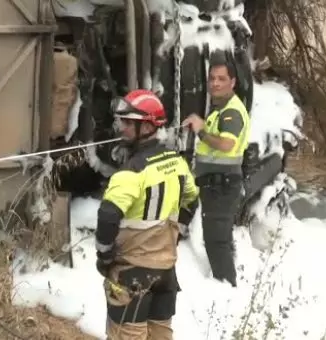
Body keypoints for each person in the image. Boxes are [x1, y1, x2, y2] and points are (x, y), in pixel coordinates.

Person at [95, 89, 200, 339]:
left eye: (129, 123)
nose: (122, 127)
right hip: (166, 272)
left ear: (148, 127)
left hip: (132, 273)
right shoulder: (176, 162)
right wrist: (176, 235)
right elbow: (192, 199)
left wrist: (105, 256)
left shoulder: (130, 173)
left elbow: (108, 216)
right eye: (122, 121)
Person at [181, 55, 251, 287]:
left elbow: (226, 144)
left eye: (221, 79)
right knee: (218, 238)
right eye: (212, 79)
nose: (215, 83)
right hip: (214, 183)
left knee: (216, 241)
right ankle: (226, 285)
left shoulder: (231, 112)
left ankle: (227, 290)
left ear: (233, 82)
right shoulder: (220, 110)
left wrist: (200, 130)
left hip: (222, 185)